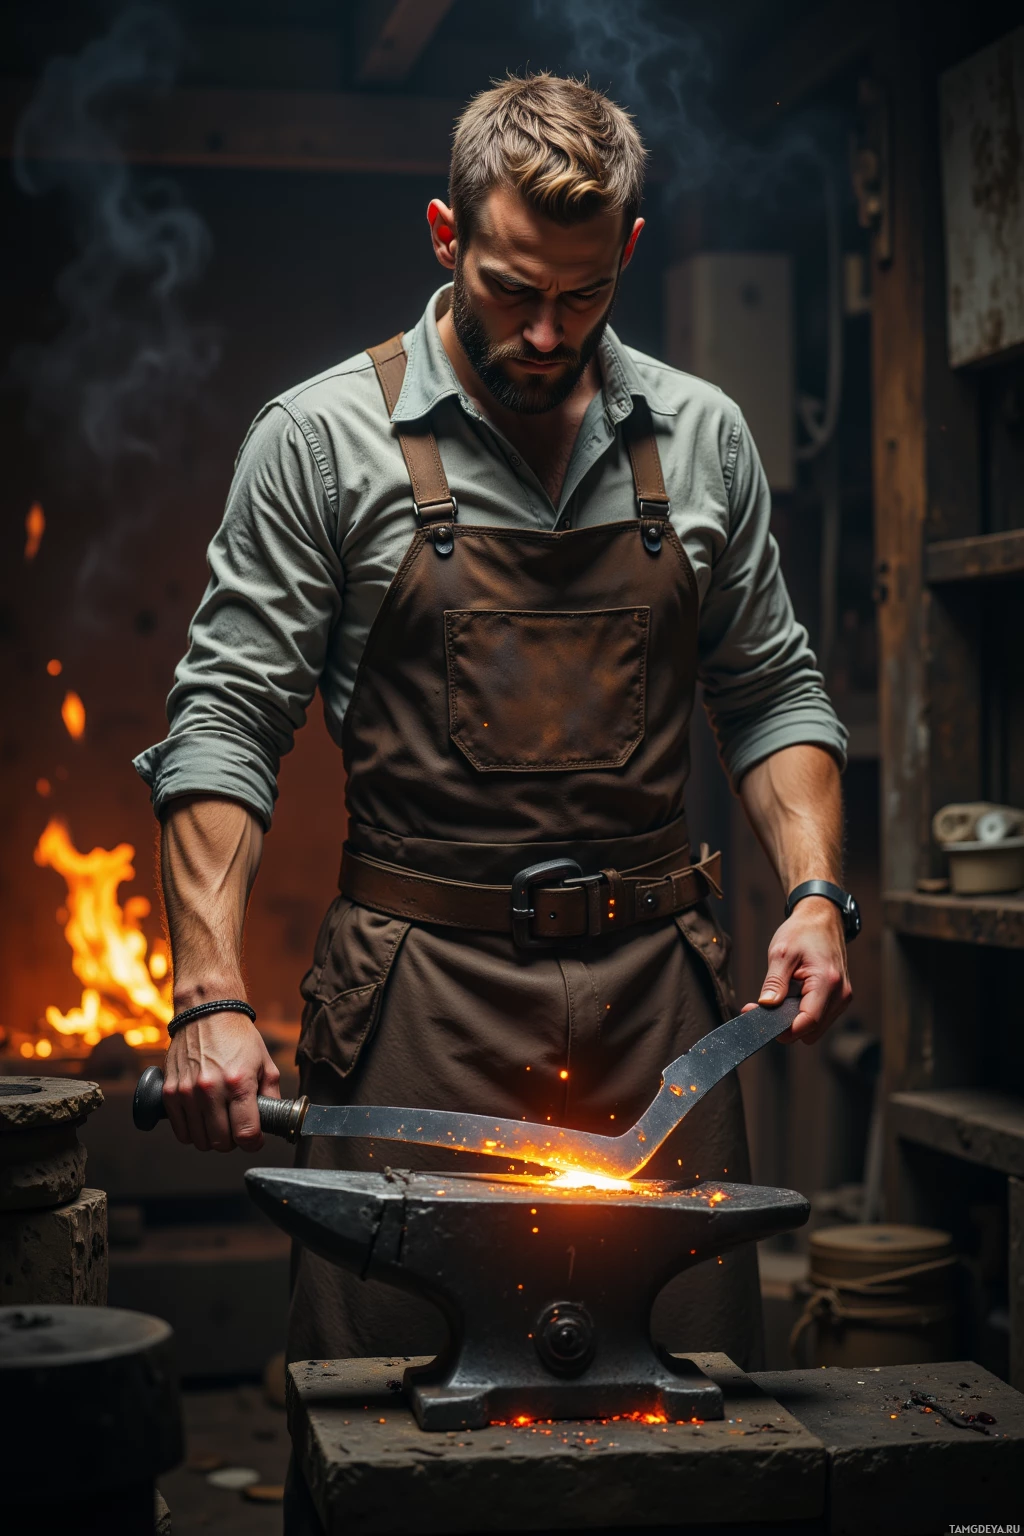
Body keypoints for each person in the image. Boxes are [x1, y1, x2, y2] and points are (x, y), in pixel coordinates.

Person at [134, 73, 855, 1374]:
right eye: (511, 289)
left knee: (690, 1422)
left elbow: (773, 692)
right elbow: (225, 722)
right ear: (443, 235)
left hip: (658, 1023)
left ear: (628, 250)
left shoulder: (701, 439)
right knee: (385, 1417)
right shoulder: (320, 441)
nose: (543, 332)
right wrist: (208, 993)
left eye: (582, 297)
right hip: (418, 998)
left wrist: (815, 895)